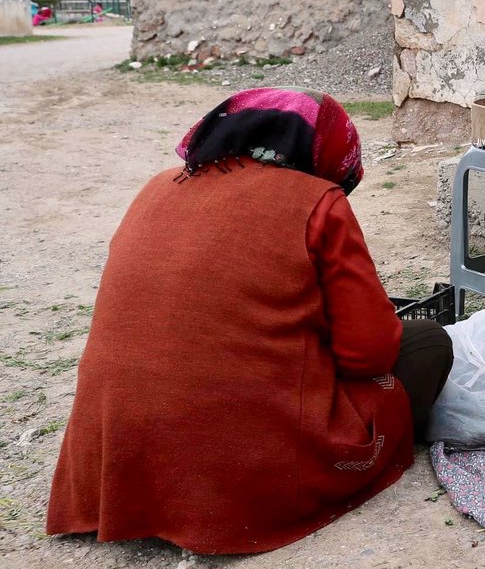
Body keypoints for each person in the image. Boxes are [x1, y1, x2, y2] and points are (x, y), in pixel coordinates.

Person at [46, 87, 453, 554]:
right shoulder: (316, 200)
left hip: (112, 458)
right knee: (429, 342)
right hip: (243, 467)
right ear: (325, 151)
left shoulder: (155, 187)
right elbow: (369, 353)